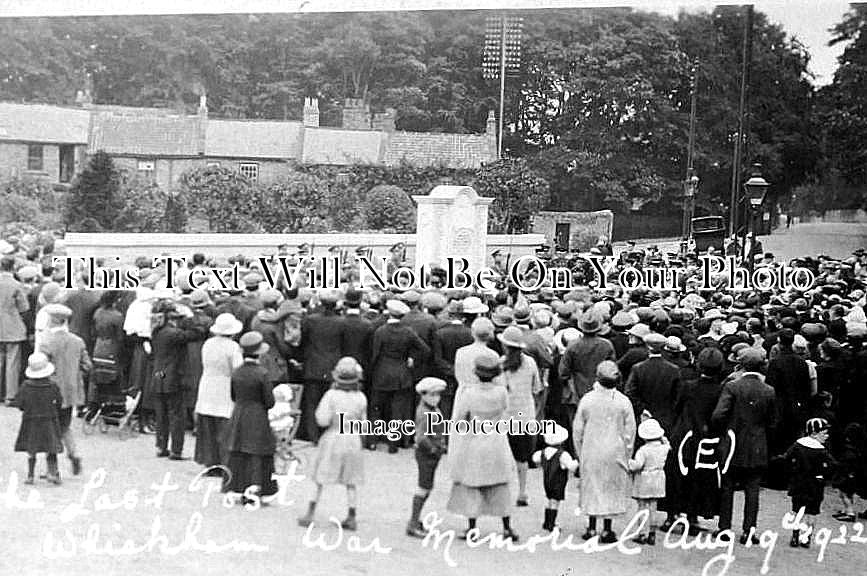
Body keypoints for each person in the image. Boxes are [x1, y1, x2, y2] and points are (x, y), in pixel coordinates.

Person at [447, 354, 518, 542]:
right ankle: (507, 527)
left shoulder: (469, 393)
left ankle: (472, 528)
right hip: (496, 440)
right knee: (500, 485)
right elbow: (507, 412)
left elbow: (460, 419)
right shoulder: (501, 392)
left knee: (472, 483)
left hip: (475, 440)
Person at [711, 347, 777, 545]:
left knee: (727, 486)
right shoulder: (769, 390)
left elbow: (719, 414)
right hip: (757, 443)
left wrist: (724, 429)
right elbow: (773, 421)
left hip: (732, 441)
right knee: (752, 488)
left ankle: (724, 528)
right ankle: (749, 531)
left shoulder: (732, 386)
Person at [298, 357, 367, 530]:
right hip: (352, 438)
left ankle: (310, 512)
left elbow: (322, 419)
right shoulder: (361, 397)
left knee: (320, 476)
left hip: (334, 437)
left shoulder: (331, 396)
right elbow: (364, 423)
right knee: (351, 479)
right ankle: (352, 515)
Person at [573, 360, 636, 543]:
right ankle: (608, 529)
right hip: (615, 450)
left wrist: (580, 452)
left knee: (592, 486)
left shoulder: (588, 399)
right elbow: (629, 431)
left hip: (591, 449)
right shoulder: (623, 402)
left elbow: (578, 430)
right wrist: (627, 453)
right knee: (611, 488)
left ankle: (591, 527)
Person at [225, 331, 278, 504]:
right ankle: (256, 488)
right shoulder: (262, 373)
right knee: (257, 452)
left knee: (239, 451)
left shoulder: (237, 372)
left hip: (239, 412)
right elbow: (269, 401)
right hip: (257, 415)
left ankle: (237, 487)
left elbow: (233, 395)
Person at [369, 299, 429, 453]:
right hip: (401, 374)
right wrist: (411, 358)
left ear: (389, 313)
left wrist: (372, 371)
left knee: (376, 408)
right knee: (397, 410)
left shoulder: (380, 331)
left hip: (381, 373)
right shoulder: (408, 331)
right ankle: (393, 444)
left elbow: (374, 355)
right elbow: (425, 350)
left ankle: (372, 442)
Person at [38, 303, 90, 477]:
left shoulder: (46, 342)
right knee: (65, 426)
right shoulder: (78, 341)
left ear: (52, 321)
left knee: (49, 429)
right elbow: (87, 366)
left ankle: (52, 469)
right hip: (71, 391)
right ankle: (74, 454)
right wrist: (74, 375)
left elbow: (41, 367)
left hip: (51, 391)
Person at [498, 325, 541, 507]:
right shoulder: (530, 363)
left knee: (505, 456)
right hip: (525, 415)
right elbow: (537, 388)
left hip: (506, 416)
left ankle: (505, 491)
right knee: (522, 458)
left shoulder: (501, 364)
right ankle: (522, 492)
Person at [195, 313, 244, 469]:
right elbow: (237, 369)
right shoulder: (233, 347)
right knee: (224, 425)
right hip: (224, 384)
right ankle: (225, 462)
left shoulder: (208, 343)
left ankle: (209, 461)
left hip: (208, 382)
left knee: (208, 423)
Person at [406, 377, 448, 538]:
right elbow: (421, 437)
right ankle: (413, 522)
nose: (436, 397)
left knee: (427, 486)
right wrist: (432, 449)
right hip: (427, 454)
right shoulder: (425, 412)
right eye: (432, 394)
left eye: (438, 394)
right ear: (423, 395)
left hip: (432, 452)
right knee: (423, 487)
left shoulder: (431, 409)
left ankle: (415, 520)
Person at [781, 418, 833, 548]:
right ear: (815, 433)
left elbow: (786, 458)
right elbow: (832, 465)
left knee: (798, 510)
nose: (827, 436)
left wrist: (792, 470)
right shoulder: (822, 450)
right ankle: (806, 538)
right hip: (815, 484)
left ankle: (795, 535)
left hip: (798, 482)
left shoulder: (798, 445)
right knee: (812, 512)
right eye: (824, 433)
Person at [14, 352, 63, 485]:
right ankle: (53, 473)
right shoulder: (53, 386)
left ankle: (30, 475)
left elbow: (19, 403)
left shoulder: (26, 386)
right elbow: (59, 401)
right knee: (51, 447)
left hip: (31, 420)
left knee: (31, 447)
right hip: (49, 419)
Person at [628, 417, 671, 545]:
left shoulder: (643, 450)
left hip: (645, 480)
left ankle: (642, 533)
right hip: (658, 479)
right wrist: (663, 438)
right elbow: (668, 444)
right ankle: (652, 533)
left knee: (642, 507)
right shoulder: (664, 449)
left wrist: (629, 463)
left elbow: (638, 465)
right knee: (653, 507)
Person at [531, 424, 578, 532]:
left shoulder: (543, 452)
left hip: (547, 481)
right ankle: (551, 523)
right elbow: (571, 466)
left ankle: (547, 521)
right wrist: (577, 462)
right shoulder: (563, 454)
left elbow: (535, 458)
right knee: (555, 502)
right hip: (558, 482)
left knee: (549, 500)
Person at [0, 255, 30, 404]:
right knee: (12, 363)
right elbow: (24, 308)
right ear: (12, 267)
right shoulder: (16, 285)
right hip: (12, 327)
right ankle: (10, 396)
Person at [831, 423, 865, 522]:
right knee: (848, 494)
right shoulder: (858, 449)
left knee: (844, 494)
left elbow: (846, 465)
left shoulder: (849, 451)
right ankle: (847, 510)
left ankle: (849, 512)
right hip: (852, 476)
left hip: (847, 476)